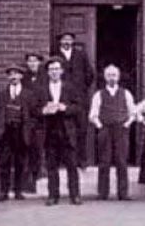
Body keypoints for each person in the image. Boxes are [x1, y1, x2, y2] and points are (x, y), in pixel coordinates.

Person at [35, 56, 83, 206]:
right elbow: (34, 109)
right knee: (51, 165)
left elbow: (79, 107)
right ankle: (53, 195)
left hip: (67, 131)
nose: (54, 72)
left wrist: (65, 108)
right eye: (51, 69)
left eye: (56, 69)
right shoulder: (41, 89)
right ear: (48, 72)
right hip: (50, 131)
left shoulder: (70, 87)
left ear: (61, 71)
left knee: (72, 165)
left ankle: (75, 195)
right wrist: (43, 110)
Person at [89, 64, 136, 200]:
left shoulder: (125, 93)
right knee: (104, 161)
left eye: (114, 75)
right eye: (109, 75)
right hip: (105, 130)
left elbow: (133, 112)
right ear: (105, 77)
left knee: (122, 161)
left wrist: (126, 124)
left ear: (119, 77)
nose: (112, 78)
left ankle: (123, 193)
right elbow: (93, 114)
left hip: (121, 130)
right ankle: (103, 193)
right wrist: (100, 126)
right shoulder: (99, 94)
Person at [52, 33, 94, 167]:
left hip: (79, 99)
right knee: (61, 128)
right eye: (64, 39)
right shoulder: (55, 55)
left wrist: (80, 88)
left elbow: (90, 74)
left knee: (81, 129)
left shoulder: (81, 55)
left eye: (69, 40)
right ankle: (62, 161)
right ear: (60, 42)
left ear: (73, 42)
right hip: (61, 97)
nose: (67, 42)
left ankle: (81, 160)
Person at [0, 63, 36, 201]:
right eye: (10, 74)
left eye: (16, 74)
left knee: (20, 162)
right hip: (6, 132)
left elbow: (33, 115)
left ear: (21, 76)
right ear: (8, 77)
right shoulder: (3, 94)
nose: (13, 77)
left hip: (21, 132)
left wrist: (29, 129)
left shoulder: (28, 94)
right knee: (4, 162)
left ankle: (18, 190)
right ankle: (3, 191)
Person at [21, 52, 46, 192]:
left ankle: (36, 178)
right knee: (25, 151)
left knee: (37, 150)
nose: (32, 64)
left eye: (35, 61)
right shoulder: (24, 79)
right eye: (29, 61)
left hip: (41, 120)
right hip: (27, 119)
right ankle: (26, 182)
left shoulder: (45, 78)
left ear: (39, 63)